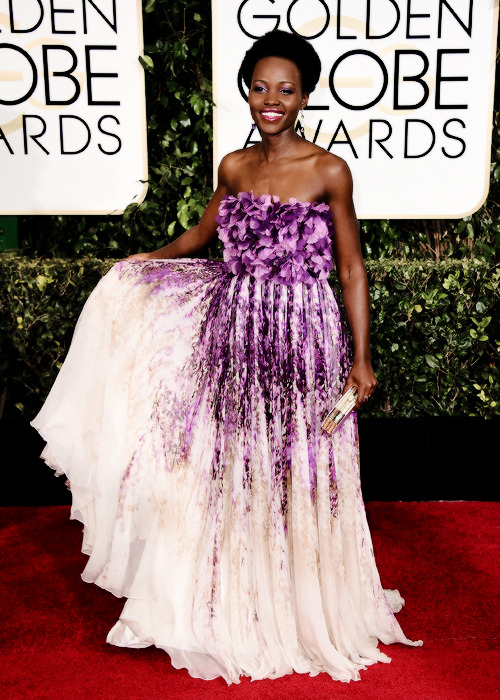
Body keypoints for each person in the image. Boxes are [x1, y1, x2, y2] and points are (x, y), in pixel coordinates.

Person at [31, 30, 421, 684]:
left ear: (305, 97)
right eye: (261, 87)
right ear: (247, 89)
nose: (272, 100)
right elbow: (203, 233)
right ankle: (226, 600)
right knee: (232, 467)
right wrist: (144, 262)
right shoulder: (235, 167)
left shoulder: (330, 171)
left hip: (304, 337)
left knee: (298, 470)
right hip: (237, 330)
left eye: (286, 89)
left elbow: (351, 268)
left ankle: (300, 608)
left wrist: (362, 357)